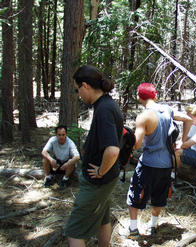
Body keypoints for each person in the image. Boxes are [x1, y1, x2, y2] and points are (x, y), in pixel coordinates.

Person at [65, 65, 123, 247]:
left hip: (98, 182)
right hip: (105, 179)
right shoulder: (106, 104)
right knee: (102, 219)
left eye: (77, 89)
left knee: (74, 231)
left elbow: (112, 149)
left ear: (85, 86)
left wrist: (100, 170)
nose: (78, 94)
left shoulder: (104, 109)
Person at [126, 83, 192, 236]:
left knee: (135, 195)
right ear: (155, 96)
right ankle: (152, 226)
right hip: (167, 165)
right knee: (159, 197)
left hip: (148, 164)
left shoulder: (143, 117)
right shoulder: (167, 110)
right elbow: (188, 119)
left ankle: (133, 229)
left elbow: (136, 145)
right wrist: (183, 141)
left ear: (139, 97)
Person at [42, 125, 80, 189]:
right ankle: (48, 178)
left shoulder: (70, 142)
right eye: (59, 135)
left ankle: (65, 180)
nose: (61, 137)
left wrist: (67, 164)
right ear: (56, 134)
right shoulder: (53, 140)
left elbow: (77, 157)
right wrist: (51, 160)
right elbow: (44, 152)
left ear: (66, 134)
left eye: (63, 134)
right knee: (45, 159)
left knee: (72, 161)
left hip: (66, 165)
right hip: (56, 163)